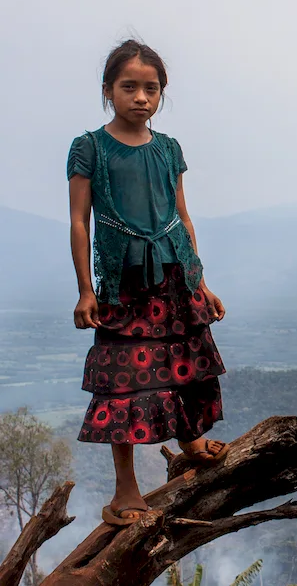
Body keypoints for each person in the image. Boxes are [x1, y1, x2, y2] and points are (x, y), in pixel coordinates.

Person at [68, 39, 230, 526]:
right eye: (129, 87)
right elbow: (79, 222)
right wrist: (85, 290)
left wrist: (201, 280)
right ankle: (125, 490)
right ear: (107, 91)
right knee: (125, 383)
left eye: (151, 88)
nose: (141, 97)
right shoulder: (90, 147)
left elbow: (182, 215)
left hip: (176, 275)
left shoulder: (168, 149)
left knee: (187, 360)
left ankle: (192, 442)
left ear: (162, 94)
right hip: (124, 285)